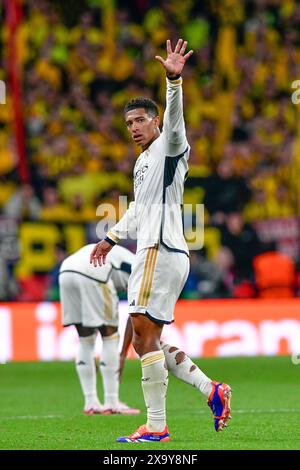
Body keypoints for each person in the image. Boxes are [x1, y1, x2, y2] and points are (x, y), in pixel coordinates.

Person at [90, 39, 232, 442]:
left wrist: (173, 80)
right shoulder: (143, 161)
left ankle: (156, 427)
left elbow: (177, 118)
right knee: (147, 338)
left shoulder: (170, 145)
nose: (134, 127)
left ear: (156, 122)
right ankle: (212, 390)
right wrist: (111, 238)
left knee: (142, 335)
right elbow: (138, 209)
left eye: (139, 120)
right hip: (159, 250)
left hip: (159, 250)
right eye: (128, 123)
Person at [59, 243, 140, 415]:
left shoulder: (128, 258)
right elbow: (136, 315)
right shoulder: (142, 273)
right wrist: (123, 353)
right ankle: (111, 402)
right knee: (110, 337)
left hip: (66, 271)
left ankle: (91, 403)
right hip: (95, 272)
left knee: (85, 340)